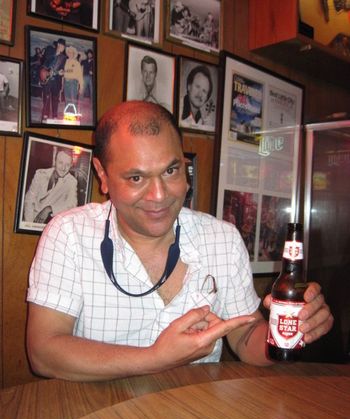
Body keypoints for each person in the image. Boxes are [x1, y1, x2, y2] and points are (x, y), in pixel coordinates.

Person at [26, 101, 333, 382]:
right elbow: (44, 352)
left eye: (171, 170)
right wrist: (155, 359)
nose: (159, 196)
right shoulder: (68, 233)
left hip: (193, 418)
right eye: (136, 178)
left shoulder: (222, 239)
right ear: (103, 176)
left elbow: (245, 336)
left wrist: (291, 330)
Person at [24, 149, 78, 223]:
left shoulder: (72, 182)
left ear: (71, 165)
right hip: (30, 218)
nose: (63, 168)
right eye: (60, 163)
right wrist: (30, 224)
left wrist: (49, 209)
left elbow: (72, 205)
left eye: (67, 165)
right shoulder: (40, 174)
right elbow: (29, 200)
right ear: (54, 161)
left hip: (50, 223)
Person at [40, 38, 67, 121]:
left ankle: (55, 115)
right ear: (58, 45)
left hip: (56, 80)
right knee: (46, 97)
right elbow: (45, 61)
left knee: (55, 99)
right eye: (62, 46)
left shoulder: (63, 57)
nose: (63, 48)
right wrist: (56, 54)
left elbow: (62, 68)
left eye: (64, 47)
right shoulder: (50, 50)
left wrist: (61, 72)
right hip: (47, 77)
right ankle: (45, 114)